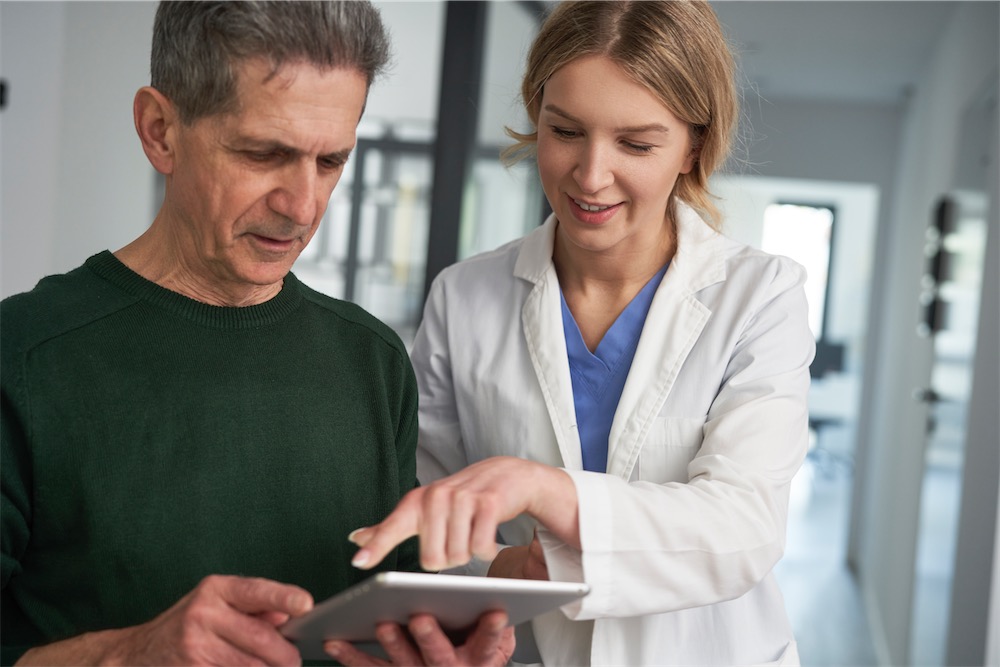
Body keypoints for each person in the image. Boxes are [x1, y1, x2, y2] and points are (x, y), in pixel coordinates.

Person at [0, 2, 512, 665]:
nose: (303, 205)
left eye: (331, 161)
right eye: (264, 153)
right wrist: (129, 653)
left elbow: (396, 627)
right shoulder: (23, 359)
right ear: (160, 131)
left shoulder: (374, 363)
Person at [344, 1, 816, 665]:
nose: (591, 176)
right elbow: (437, 523)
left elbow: (740, 530)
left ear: (695, 146)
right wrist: (481, 587)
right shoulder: (465, 296)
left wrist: (543, 492)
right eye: (566, 131)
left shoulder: (759, 297)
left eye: (636, 144)